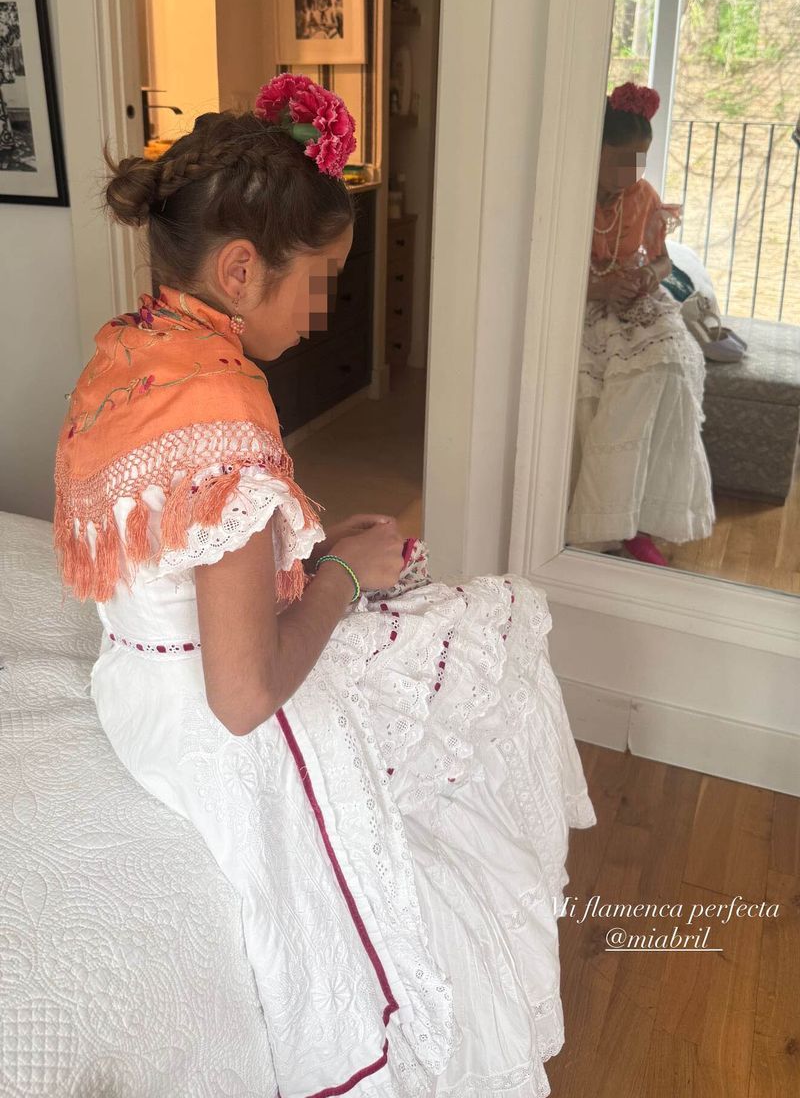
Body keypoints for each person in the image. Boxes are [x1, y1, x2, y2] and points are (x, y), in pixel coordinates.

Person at [53, 73, 597, 1098]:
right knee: (500, 628)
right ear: (243, 265)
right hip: (216, 734)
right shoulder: (223, 418)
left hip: (134, 692)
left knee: (445, 626)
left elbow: (177, 562)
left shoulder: (128, 354)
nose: (319, 311)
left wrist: (303, 559)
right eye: (317, 281)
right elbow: (244, 696)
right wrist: (342, 576)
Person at [566, 81, 715, 565]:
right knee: (595, 392)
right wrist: (597, 288)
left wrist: (650, 277)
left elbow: (664, 263)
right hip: (579, 306)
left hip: (634, 305)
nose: (632, 170)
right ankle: (602, 521)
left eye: (641, 158)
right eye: (621, 158)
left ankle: (643, 520)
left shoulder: (643, 196)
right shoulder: (566, 195)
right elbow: (546, 276)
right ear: (595, 150)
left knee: (670, 368)